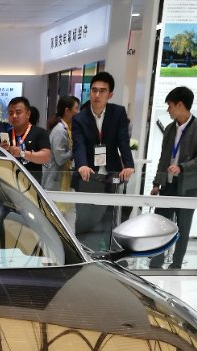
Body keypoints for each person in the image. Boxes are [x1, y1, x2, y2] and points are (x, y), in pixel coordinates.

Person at [148, 86, 197, 269]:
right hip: (168, 184)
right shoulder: (169, 128)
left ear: (180, 105)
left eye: (170, 105)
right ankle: (156, 261)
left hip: (188, 186)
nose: (168, 109)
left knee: (183, 226)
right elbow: (164, 158)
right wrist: (156, 183)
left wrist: (182, 168)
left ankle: (176, 265)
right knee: (161, 224)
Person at [72, 71, 134, 249]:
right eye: (94, 90)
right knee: (85, 221)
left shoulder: (118, 113)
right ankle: (84, 253)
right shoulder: (79, 118)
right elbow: (79, 144)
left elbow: (123, 140)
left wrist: (128, 165)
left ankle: (107, 254)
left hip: (111, 175)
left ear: (110, 94)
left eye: (102, 91)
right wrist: (82, 165)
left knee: (109, 221)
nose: (97, 95)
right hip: (88, 176)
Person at [43, 95, 80, 228]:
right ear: (67, 110)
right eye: (76, 108)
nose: (78, 111)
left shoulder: (67, 129)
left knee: (70, 215)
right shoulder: (60, 130)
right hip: (56, 182)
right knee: (57, 220)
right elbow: (59, 158)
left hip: (65, 181)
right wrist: (75, 151)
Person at [0, 96, 51, 182]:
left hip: (31, 183)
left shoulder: (39, 133)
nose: (14, 116)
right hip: (8, 182)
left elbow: (46, 157)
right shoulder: (5, 135)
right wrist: (0, 151)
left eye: (18, 112)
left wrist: (22, 153)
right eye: (11, 113)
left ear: (28, 114)